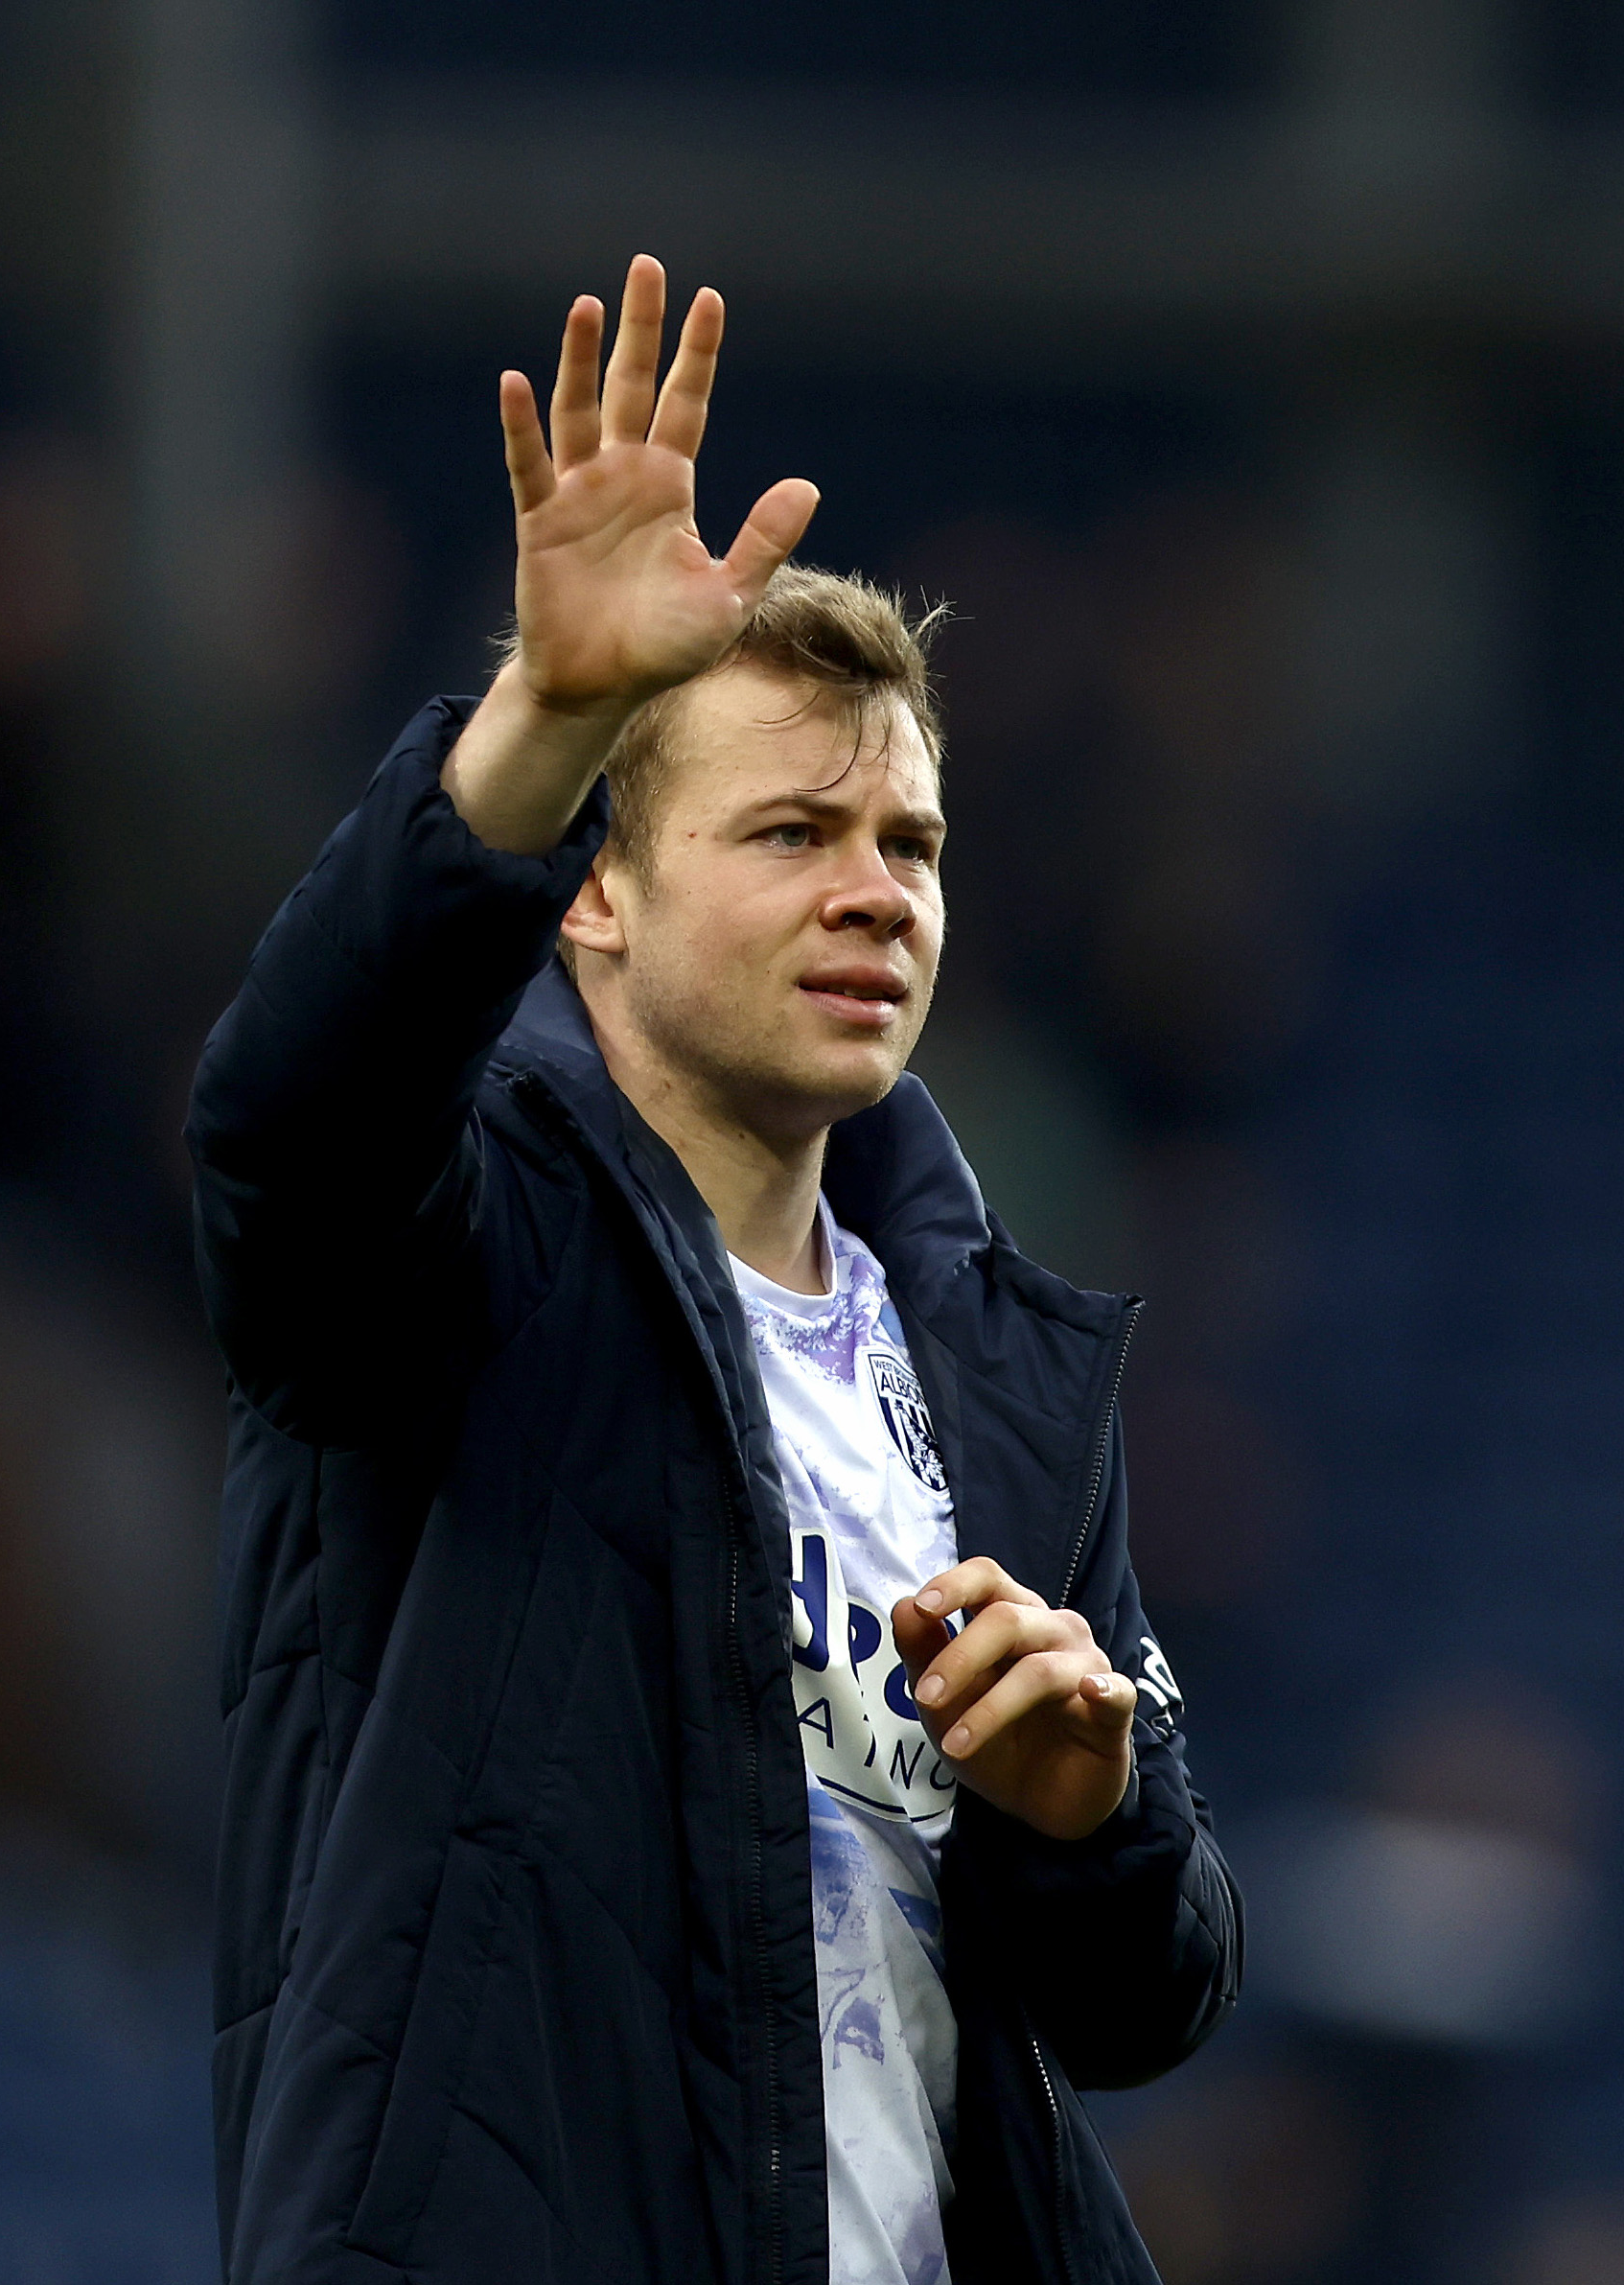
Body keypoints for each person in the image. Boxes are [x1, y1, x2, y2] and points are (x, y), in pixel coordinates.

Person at [189, 255, 1240, 2285]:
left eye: (910, 844)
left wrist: (1083, 1811)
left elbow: (1141, 2000)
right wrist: (534, 732)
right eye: (786, 832)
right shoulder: (468, 1249)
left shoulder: (999, 1369)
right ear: (593, 886)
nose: (871, 890)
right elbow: (279, 1130)